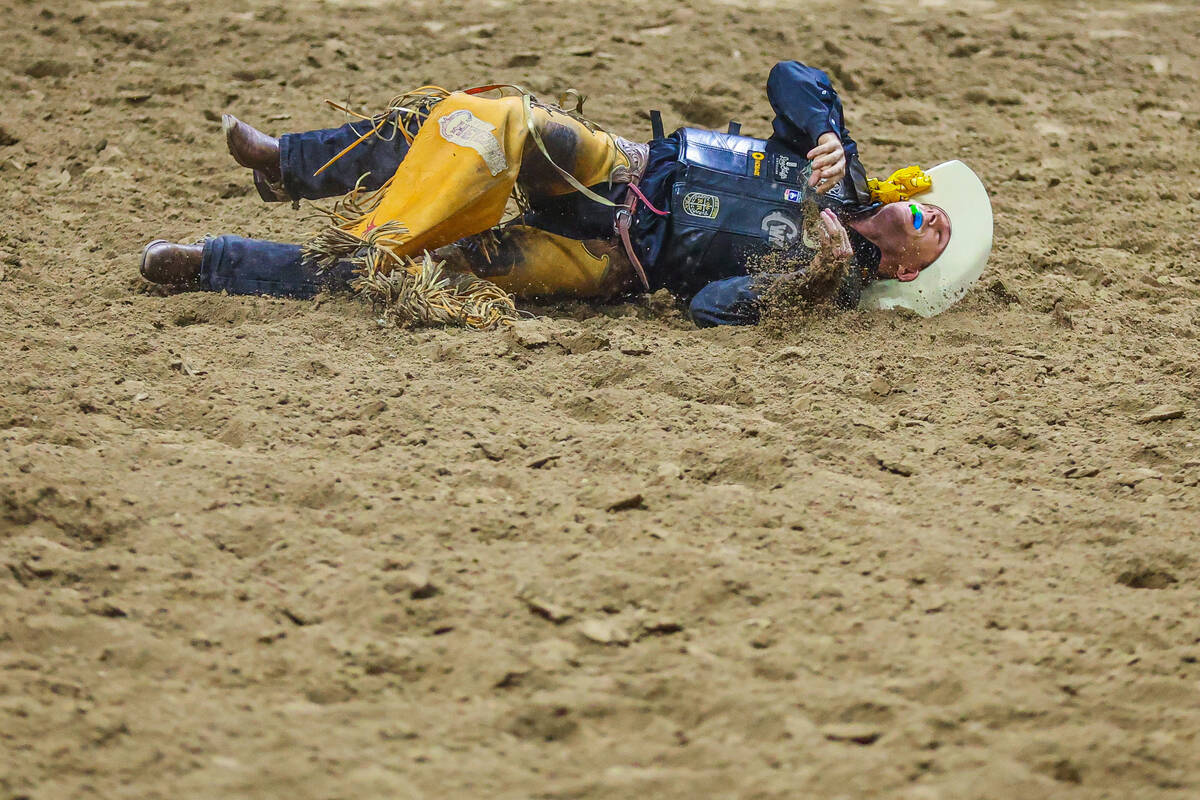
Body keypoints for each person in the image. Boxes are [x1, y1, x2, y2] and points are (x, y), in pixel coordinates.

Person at [139, 62, 992, 327]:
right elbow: (791, 77)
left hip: (606, 260)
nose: (929, 213)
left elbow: (711, 308)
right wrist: (824, 132)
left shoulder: (828, 290)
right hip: (624, 169)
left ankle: (216, 262)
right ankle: (291, 163)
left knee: (418, 269)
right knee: (485, 120)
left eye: (937, 233)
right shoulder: (839, 164)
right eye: (935, 205)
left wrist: (804, 278)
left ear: (910, 269)